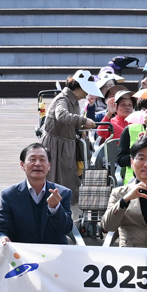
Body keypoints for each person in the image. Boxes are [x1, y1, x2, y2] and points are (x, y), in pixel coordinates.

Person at [0, 143, 74, 245]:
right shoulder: (9, 195)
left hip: (55, 254)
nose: (37, 164)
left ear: (49, 165)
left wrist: (55, 208)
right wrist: (3, 238)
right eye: (32, 159)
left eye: (42, 160)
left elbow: (66, 229)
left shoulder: (63, 193)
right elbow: (2, 229)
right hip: (22, 256)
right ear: (22, 165)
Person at [41, 75, 95, 206]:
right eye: (86, 90)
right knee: (54, 179)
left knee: (68, 180)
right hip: (55, 145)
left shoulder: (74, 101)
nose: (86, 94)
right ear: (79, 87)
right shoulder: (62, 98)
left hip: (66, 145)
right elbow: (62, 115)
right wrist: (83, 120)